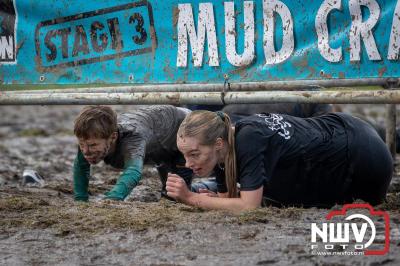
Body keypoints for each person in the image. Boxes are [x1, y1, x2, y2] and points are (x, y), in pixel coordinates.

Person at [166, 111, 393, 212]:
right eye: (185, 155)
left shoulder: (247, 138)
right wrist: (212, 200)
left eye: (194, 154)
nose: (188, 164)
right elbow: (228, 201)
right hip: (349, 132)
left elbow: (247, 206)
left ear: (217, 143)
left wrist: (192, 197)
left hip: (362, 158)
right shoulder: (226, 144)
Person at [73, 105, 195, 201]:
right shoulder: (88, 137)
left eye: (93, 145)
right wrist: (80, 199)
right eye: (81, 144)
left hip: (185, 127)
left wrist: (110, 199)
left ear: (113, 137)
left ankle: (207, 187)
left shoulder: (132, 137)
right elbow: (81, 167)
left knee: (175, 196)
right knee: (168, 189)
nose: (86, 151)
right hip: (159, 142)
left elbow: (133, 172)